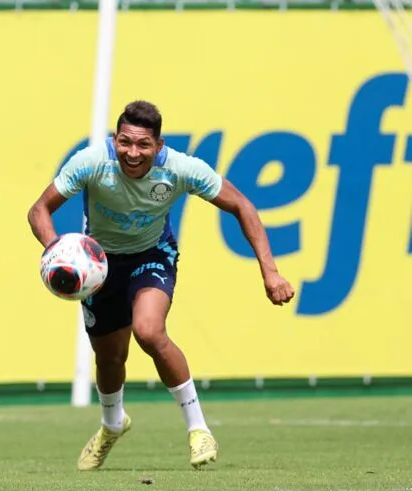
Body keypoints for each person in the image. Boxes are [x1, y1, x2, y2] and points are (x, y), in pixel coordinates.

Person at [27, 100, 294, 471]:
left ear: (159, 145)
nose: (132, 153)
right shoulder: (90, 162)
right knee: (109, 357)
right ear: (115, 139)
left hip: (152, 254)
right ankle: (112, 424)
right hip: (99, 265)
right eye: (124, 142)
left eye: (142, 145)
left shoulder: (182, 168)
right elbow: (38, 209)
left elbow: (243, 206)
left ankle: (198, 429)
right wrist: (57, 250)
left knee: (149, 332)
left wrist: (270, 272)